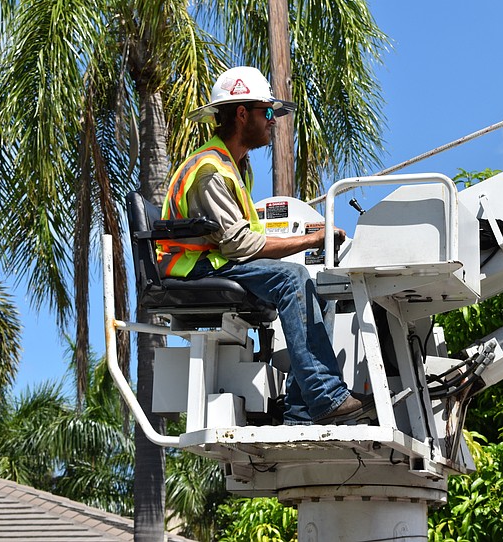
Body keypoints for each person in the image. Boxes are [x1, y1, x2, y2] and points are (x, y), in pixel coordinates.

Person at [157, 66, 369, 425]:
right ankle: (326, 396)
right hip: (191, 268)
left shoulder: (235, 165)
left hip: (215, 260)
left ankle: (303, 411)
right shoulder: (210, 170)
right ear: (242, 114)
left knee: (318, 288)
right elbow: (238, 244)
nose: (273, 120)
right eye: (267, 111)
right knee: (292, 278)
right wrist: (312, 239)